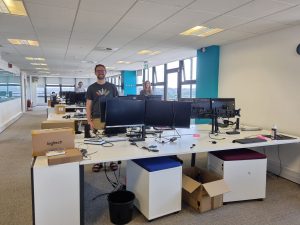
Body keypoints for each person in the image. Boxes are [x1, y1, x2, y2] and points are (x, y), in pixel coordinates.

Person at [86, 64, 119, 172]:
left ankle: (113, 160)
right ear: (95, 73)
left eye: (102, 70)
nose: (101, 72)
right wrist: (89, 120)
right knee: (98, 140)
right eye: (98, 70)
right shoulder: (91, 88)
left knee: (112, 139)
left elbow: (117, 103)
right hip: (97, 117)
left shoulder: (112, 87)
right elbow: (88, 105)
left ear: (106, 72)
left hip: (111, 117)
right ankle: (98, 161)